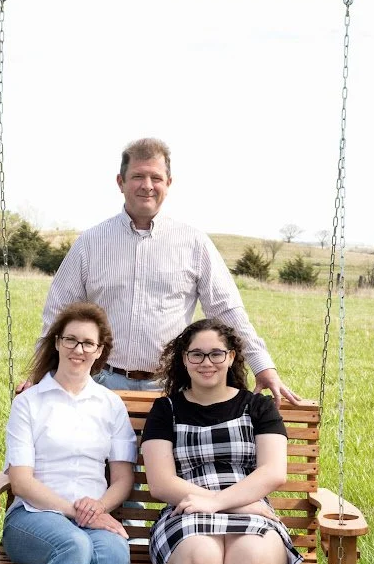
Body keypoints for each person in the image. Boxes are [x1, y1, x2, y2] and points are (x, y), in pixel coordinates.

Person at [38, 137, 299, 408]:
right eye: (138, 176)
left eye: (156, 178)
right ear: (120, 182)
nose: (147, 186)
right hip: (100, 385)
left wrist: (263, 367)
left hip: (170, 389)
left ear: (169, 183)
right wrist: (42, 376)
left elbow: (226, 310)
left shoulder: (194, 243)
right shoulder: (90, 243)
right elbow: (58, 312)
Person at [131, 318, 303, 564]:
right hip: (184, 510)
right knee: (200, 557)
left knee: (251, 557)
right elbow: (161, 482)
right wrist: (222, 505)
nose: (206, 362)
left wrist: (225, 503)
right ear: (184, 359)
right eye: (196, 354)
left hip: (249, 509)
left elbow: (272, 473)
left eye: (216, 353)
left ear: (231, 358)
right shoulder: (166, 408)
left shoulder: (258, 406)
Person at [2, 302, 137, 564]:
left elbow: (123, 479)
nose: (79, 349)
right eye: (71, 340)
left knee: (114, 554)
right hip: (34, 517)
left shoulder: (110, 405)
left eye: (88, 343)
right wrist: (75, 512)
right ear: (57, 343)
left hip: (91, 515)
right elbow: (21, 481)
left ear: (101, 352)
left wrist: (99, 507)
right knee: (74, 549)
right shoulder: (30, 403)